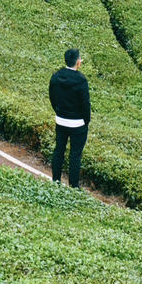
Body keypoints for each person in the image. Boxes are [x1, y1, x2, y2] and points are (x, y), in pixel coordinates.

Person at [48, 48, 91, 189]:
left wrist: (59, 111)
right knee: (75, 154)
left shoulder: (56, 76)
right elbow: (85, 103)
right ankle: (73, 185)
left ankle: (56, 181)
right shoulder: (81, 80)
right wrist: (86, 120)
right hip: (78, 123)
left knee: (59, 150)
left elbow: (52, 97)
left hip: (61, 120)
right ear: (78, 62)